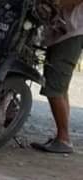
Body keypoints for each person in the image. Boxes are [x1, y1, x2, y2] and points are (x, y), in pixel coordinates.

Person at [31, 0, 83, 154]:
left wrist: (56, 2)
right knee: (60, 87)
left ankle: (64, 139)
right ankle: (61, 137)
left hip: (71, 32)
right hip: (62, 32)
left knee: (53, 87)